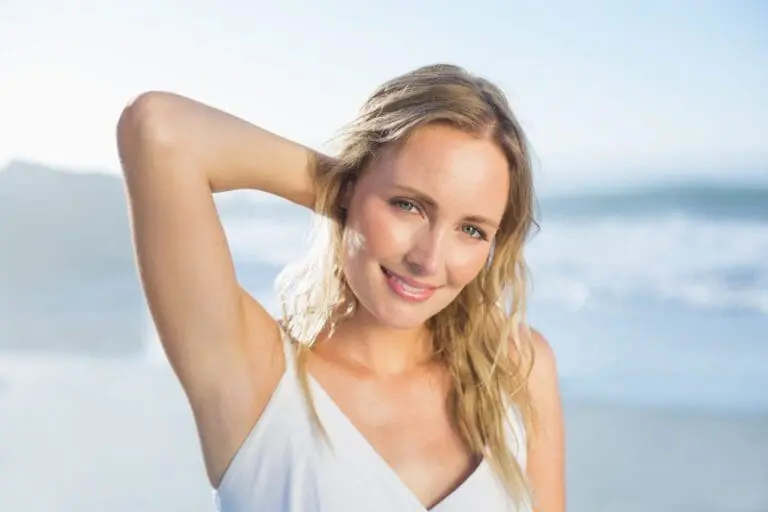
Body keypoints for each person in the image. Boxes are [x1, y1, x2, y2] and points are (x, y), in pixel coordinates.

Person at [116, 63, 565, 511]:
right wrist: (341, 189)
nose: (428, 260)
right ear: (352, 187)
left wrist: (369, 192)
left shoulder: (516, 371)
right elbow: (159, 129)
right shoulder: (254, 378)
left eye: (471, 230)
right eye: (407, 205)